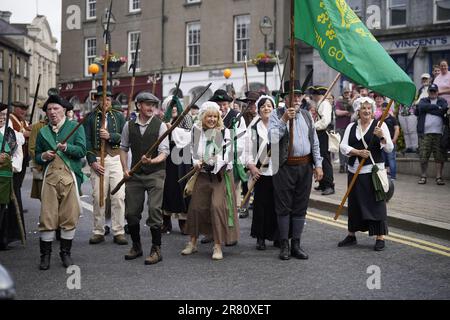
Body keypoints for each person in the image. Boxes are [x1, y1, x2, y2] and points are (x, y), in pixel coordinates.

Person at [268, 80, 323, 260]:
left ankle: (296, 244)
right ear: (285, 98)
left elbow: (314, 142)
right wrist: (284, 120)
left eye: (299, 95)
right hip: (284, 167)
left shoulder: (307, 116)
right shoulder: (276, 114)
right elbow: (272, 139)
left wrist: (319, 165)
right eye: (293, 95)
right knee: (283, 207)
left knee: (300, 207)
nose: (297, 99)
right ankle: (284, 244)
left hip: (304, 166)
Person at [181, 101, 239, 260]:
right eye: (209, 116)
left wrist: (214, 161)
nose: (212, 119)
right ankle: (192, 243)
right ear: (202, 117)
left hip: (220, 176)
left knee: (217, 207)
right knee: (196, 207)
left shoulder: (225, 132)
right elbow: (193, 151)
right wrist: (196, 162)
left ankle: (218, 246)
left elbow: (228, 155)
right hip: (203, 174)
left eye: (215, 116)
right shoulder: (196, 130)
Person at [35, 94, 86, 270]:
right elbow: (36, 155)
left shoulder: (75, 127)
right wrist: (43, 156)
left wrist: (67, 148)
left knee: (69, 216)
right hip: (50, 178)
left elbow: (81, 151)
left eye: (56, 108)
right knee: (47, 216)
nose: (52, 112)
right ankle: (45, 256)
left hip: (69, 177)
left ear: (64, 110)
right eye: (49, 109)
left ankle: (65, 253)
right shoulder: (43, 132)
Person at [120, 92, 169, 265]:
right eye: (147, 104)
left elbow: (164, 153)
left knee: (155, 210)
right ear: (139, 105)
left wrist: (152, 160)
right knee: (131, 213)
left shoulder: (161, 126)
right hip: (135, 173)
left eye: (153, 105)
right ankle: (136, 246)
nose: (151, 108)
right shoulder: (128, 126)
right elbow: (123, 148)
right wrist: (125, 169)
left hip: (156, 173)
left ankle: (156, 249)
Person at [338, 97, 393, 251]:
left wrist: (382, 136)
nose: (367, 111)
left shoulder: (380, 126)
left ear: (373, 110)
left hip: (372, 172)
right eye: (363, 108)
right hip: (354, 171)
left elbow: (389, 148)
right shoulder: (351, 127)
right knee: (354, 204)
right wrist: (357, 152)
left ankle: (380, 237)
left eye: (369, 108)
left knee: (376, 205)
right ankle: (351, 235)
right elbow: (343, 146)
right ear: (358, 111)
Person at [83, 86, 128, 245]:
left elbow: (125, 138)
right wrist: (92, 162)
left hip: (115, 159)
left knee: (118, 196)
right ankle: (98, 231)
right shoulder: (89, 118)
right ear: (96, 100)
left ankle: (118, 231)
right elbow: (86, 142)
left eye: (108, 99)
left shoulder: (119, 116)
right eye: (102, 99)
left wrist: (111, 136)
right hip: (98, 160)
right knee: (98, 197)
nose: (105, 102)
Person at [210, 89, 247, 232]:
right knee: (214, 201)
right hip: (213, 165)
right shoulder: (210, 116)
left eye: (224, 104)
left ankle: (230, 232)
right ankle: (213, 231)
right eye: (218, 104)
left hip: (231, 164)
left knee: (230, 199)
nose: (221, 107)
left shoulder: (236, 116)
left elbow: (241, 141)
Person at [244, 95, 278, 250]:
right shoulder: (253, 129)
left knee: (277, 204)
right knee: (261, 205)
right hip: (260, 171)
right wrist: (252, 167)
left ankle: (277, 236)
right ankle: (261, 237)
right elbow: (247, 151)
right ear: (258, 110)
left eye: (269, 106)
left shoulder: (279, 127)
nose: (266, 108)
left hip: (278, 171)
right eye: (263, 106)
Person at [161, 95, 193, 235]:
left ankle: (183, 220)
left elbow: (188, 136)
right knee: (167, 188)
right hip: (167, 157)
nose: (173, 108)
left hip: (183, 156)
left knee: (183, 187)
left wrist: (172, 129)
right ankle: (166, 221)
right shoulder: (162, 121)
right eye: (170, 106)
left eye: (175, 106)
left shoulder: (185, 119)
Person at [0, 103, 25, 251]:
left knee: (5, 210)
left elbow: (17, 154)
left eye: (3, 115)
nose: (1, 118)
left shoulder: (11, 134)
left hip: (8, 177)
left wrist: (11, 165)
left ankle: (4, 239)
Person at [415, 84, 448, 185]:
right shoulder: (423, 100)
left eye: (434, 91)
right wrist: (436, 108)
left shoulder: (442, 100)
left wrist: (430, 109)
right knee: (423, 156)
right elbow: (421, 107)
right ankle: (423, 176)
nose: (432, 93)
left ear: (437, 92)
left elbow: (444, 110)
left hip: (439, 134)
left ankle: (439, 177)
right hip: (425, 133)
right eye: (431, 91)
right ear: (428, 92)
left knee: (439, 156)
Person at [310, 86, 335, 195]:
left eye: (314, 94)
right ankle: (322, 183)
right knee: (319, 158)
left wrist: (312, 127)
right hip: (318, 133)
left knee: (325, 159)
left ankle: (329, 185)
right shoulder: (320, 103)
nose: (313, 96)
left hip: (323, 133)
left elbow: (325, 121)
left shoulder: (324, 104)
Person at [10, 101, 31, 217]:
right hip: (15, 158)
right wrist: (26, 132)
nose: (23, 111)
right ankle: (14, 210)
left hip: (23, 158)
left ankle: (17, 207)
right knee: (14, 185)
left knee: (18, 185)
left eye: (25, 109)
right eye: (21, 108)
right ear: (15, 108)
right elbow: (18, 135)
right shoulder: (11, 120)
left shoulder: (22, 121)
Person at [335, 88, 353, 173]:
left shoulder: (352, 102)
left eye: (348, 92)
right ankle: (342, 165)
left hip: (349, 127)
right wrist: (347, 112)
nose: (347, 94)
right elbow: (337, 112)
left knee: (348, 146)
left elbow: (353, 113)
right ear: (343, 93)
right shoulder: (339, 102)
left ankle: (347, 164)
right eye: (345, 92)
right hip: (340, 127)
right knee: (341, 146)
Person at [381, 102, 400, 180]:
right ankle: (384, 175)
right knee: (383, 160)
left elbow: (397, 129)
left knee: (391, 159)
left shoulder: (393, 119)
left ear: (389, 110)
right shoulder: (380, 119)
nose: (384, 111)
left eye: (386, 110)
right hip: (382, 143)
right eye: (383, 110)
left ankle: (393, 176)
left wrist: (394, 139)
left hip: (391, 142)